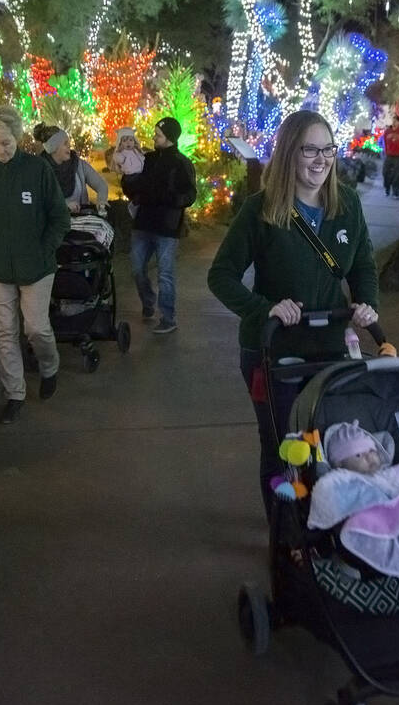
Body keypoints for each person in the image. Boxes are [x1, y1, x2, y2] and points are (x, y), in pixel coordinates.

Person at [207, 110, 380, 518]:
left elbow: (363, 266)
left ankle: (323, 523)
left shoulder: (346, 205)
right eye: (309, 150)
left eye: (328, 149)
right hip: (271, 351)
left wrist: (366, 303)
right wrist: (264, 309)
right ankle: (284, 537)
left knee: (328, 442)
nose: (321, 160)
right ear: (289, 153)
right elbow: (221, 276)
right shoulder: (261, 210)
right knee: (284, 447)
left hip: (328, 347)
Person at [0, 104, 71, 424]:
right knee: (5, 331)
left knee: (35, 327)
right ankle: (15, 393)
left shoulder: (37, 170)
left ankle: (49, 367)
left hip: (36, 266)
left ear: (17, 137)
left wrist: (44, 250)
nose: (0, 150)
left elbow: (59, 218)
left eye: (5, 143)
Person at [122, 116, 197, 334]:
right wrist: (129, 182)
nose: (155, 137)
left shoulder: (182, 163)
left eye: (159, 135)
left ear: (170, 138)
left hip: (166, 226)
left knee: (165, 273)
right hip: (143, 222)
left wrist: (171, 200)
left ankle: (168, 316)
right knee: (137, 267)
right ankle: (147, 302)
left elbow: (190, 194)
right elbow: (135, 184)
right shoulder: (148, 159)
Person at [34, 123, 109, 215]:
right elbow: (37, 202)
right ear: (54, 148)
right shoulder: (40, 170)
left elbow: (101, 185)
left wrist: (101, 201)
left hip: (81, 221)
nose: (69, 146)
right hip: (54, 225)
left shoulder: (78, 164)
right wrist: (64, 206)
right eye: (65, 143)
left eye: (69, 143)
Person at [382, 115, 399, 196]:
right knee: (385, 172)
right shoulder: (387, 131)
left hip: (398, 156)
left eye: (396, 121)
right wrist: (385, 151)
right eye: (393, 120)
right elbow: (385, 142)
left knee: (397, 174)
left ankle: (396, 191)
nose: (394, 122)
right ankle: (387, 188)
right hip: (389, 155)